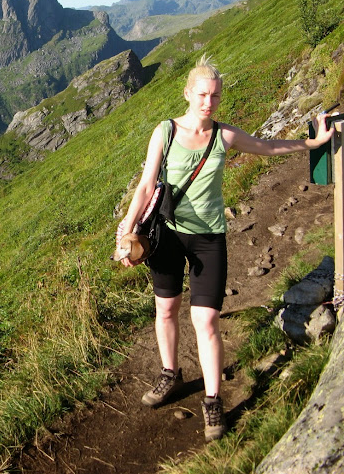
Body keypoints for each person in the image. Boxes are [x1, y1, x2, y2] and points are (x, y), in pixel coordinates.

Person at [117, 54, 334, 442]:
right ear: (187, 93)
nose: (209, 102)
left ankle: (213, 400)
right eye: (202, 94)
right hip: (166, 235)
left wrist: (312, 143)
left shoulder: (224, 136)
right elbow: (147, 185)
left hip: (208, 239)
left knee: (206, 320)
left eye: (215, 96)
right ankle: (170, 373)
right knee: (165, 308)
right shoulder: (164, 132)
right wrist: (127, 229)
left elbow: (267, 147)